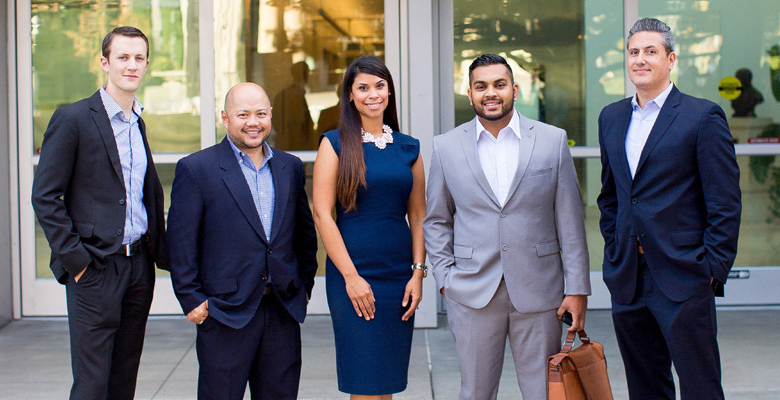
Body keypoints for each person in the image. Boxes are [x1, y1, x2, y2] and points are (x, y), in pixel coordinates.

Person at [423, 53, 590, 400]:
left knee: (544, 393)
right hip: (471, 290)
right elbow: (437, 219)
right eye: (480, 86)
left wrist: (577, 289)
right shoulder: (446, 146)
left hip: (540, 291)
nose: (491, 93)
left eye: (499, 85)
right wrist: (445, 279)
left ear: (514, 90)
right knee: (476, 393)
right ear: (469, 94)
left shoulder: (552, 140)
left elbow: (570, 221)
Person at [597, 18, 741, 400]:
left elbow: (725, 201)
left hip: (684, 275)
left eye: (651, 51)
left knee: (700, 387)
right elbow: (611, 196)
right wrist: (615, 249)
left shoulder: (702, 116)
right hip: (629, 277)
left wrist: (711, 269)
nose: (640, 59)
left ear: (671, 59)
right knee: (645, 387)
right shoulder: (611, 117)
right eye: (633, 52)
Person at [31, 26, 167, 400]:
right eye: (123, 57)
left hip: (138, 268)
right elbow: (45, 196)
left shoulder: (137, 121)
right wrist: (77, 262)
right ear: (104, 63)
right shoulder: (74, 118)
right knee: (92, 384)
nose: (131, 65)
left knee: (124, 378)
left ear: (147, 65)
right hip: (95, 267)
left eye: (139, 58)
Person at [166, 82, 318, 400]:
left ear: (270, 115)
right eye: (243, 114)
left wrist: (303, 287)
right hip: (224, 312)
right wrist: (191, 299)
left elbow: (304, 236)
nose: (253, 122)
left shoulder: (289, 167)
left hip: (282, 309)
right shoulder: (197, 169)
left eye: (261, 114)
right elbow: (181, 243)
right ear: (225, 118)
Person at [312, 55, 426, 399]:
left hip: (398, 277)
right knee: (363, 381)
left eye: (379, 85)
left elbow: (419, 216)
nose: (372, 94)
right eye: (363, 87)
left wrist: (418, 273)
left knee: (386, 382)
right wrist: (351, 277)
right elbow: (322, 214)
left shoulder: (409, 147)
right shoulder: (334, 144)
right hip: (353, 275)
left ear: (389, 91)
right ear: (350, 94)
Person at [273, 61, 317, 150]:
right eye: (308, 73)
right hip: (296, 148)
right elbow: (300, 125)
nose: (309, 76)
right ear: (305, 75)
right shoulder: (294, 96)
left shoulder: (283, 95)